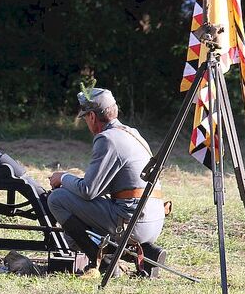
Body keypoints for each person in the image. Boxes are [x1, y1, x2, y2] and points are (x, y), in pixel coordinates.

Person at [47, 85, 166, 277]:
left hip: (133, 223)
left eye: (86, 117)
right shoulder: (131, 132)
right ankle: (132, 253)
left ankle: (105, 263)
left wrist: (63, 177)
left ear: (92, 117)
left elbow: (88, 190)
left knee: (57, 198)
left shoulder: (107, 139)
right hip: (152, 219)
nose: (86, 122)